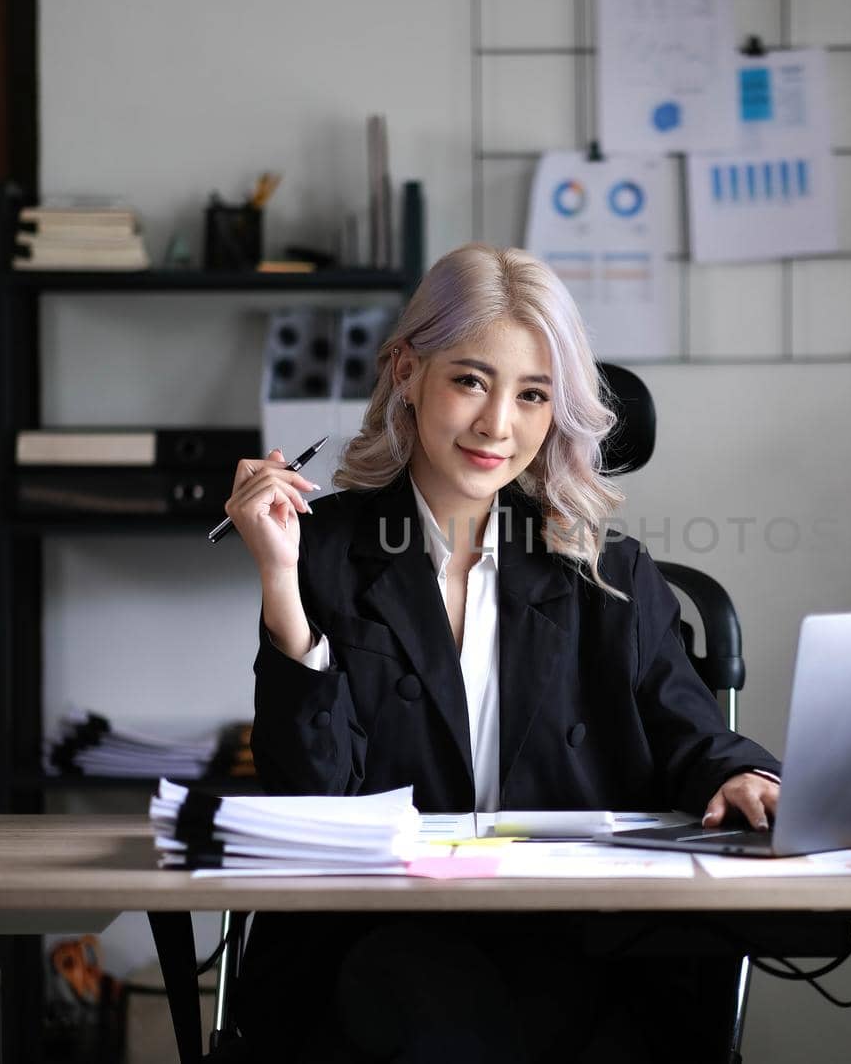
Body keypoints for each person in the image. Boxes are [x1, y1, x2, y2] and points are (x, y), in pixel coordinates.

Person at [223, 243, 782, 1062]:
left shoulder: (608, 573)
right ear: (405, 370)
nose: (498, 426)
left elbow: (692, 734)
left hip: (574, 943)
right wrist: (280, 577)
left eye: (533, 395)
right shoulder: (324, 554)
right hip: (379, 948)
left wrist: (741, 774)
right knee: (414, 991)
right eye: (471, 380)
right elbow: (314, 800)